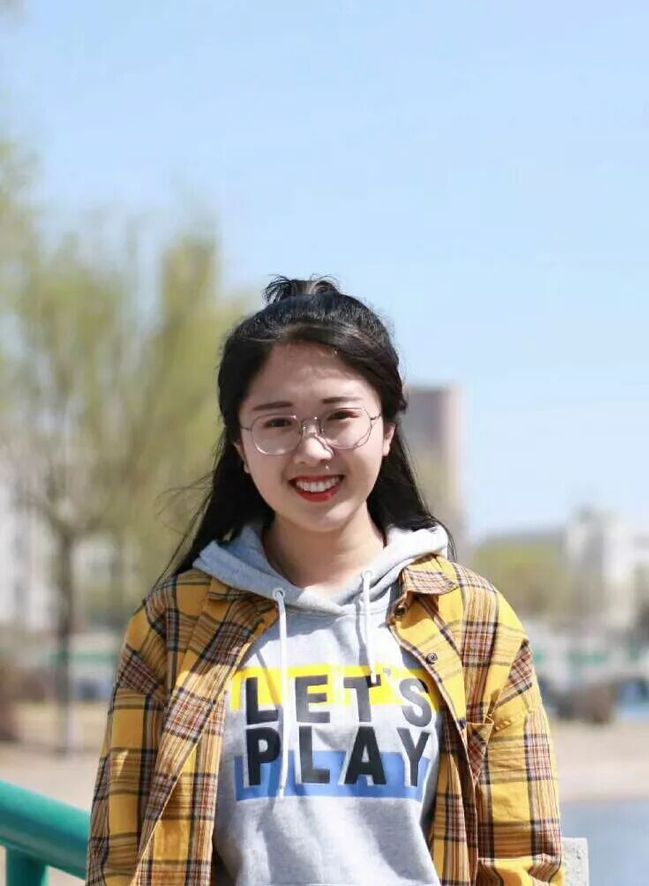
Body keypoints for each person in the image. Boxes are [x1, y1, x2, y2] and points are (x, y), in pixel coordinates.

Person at [87, 277, 563, 885]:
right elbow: (120, 857)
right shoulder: (174, 623)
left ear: (387, 430)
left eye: (339, 417)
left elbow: (523, 860)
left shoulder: (473, 620)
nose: (311, 450)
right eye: (277, 423)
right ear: (239, 445)